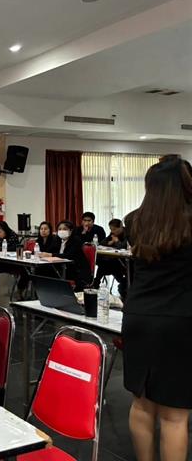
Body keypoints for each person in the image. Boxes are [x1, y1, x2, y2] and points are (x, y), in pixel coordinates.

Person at [122, 155, 192, 461]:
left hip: (137, 317)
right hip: (179, 320)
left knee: (142, 404)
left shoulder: (134, 221)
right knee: (174, 416)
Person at [38, 220, 92, 290]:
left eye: (65, 229)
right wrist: (44, 254)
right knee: (40, 270)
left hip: (76, 269)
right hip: (61, 267)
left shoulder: (76, 240)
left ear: (71, 230)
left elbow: (68, 255)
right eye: (59, 229)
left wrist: (50, 255)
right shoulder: (57, 240)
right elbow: (50, 251)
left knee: (48, 272)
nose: (61, 231)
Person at [0, 221, 24, 299]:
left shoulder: (13, 236)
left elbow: (14, 248)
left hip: (12, 263)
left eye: (0, 232)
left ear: (5, 230)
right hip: (2, 261)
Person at [94, 219, 129, 297]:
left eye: (114, 229)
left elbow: (124, 247)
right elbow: (102, 243)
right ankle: (96, 283)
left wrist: (116, 241)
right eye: (111, 229)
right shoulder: (113, 234)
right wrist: (110, 242)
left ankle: (96, 282)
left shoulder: (127, 233)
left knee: (106, 264)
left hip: (124, 261)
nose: (112, 231)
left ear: (121, 227)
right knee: (104, 263)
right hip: (114, 260)